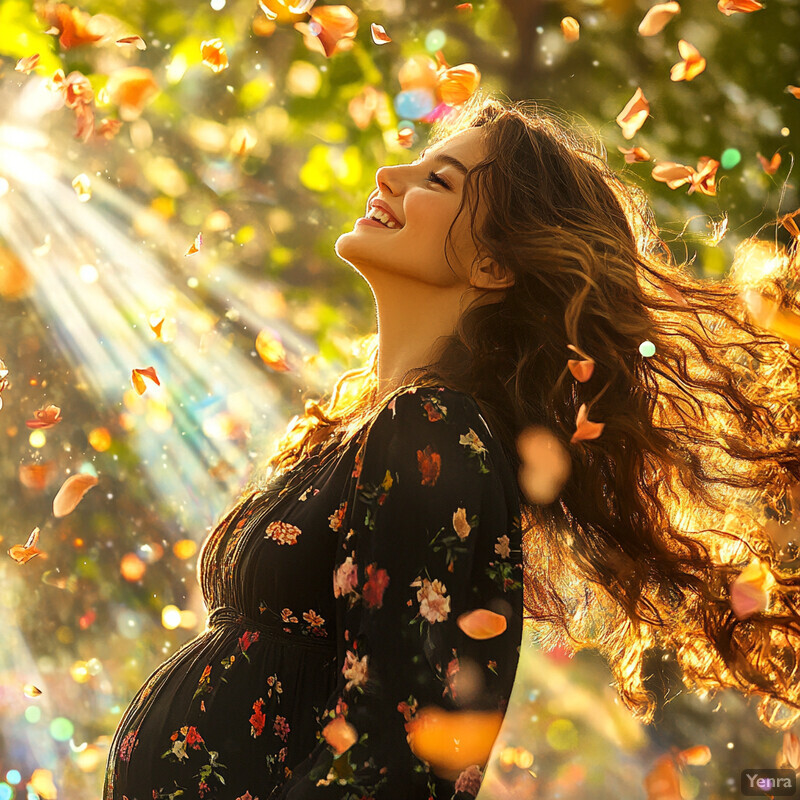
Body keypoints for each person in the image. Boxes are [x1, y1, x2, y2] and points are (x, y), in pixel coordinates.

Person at [104, 90, 800, 799]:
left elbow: (395, 754)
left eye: (437, 180)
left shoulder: (433, 432)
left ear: (496, 266)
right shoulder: (380, 429)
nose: (389, 175)